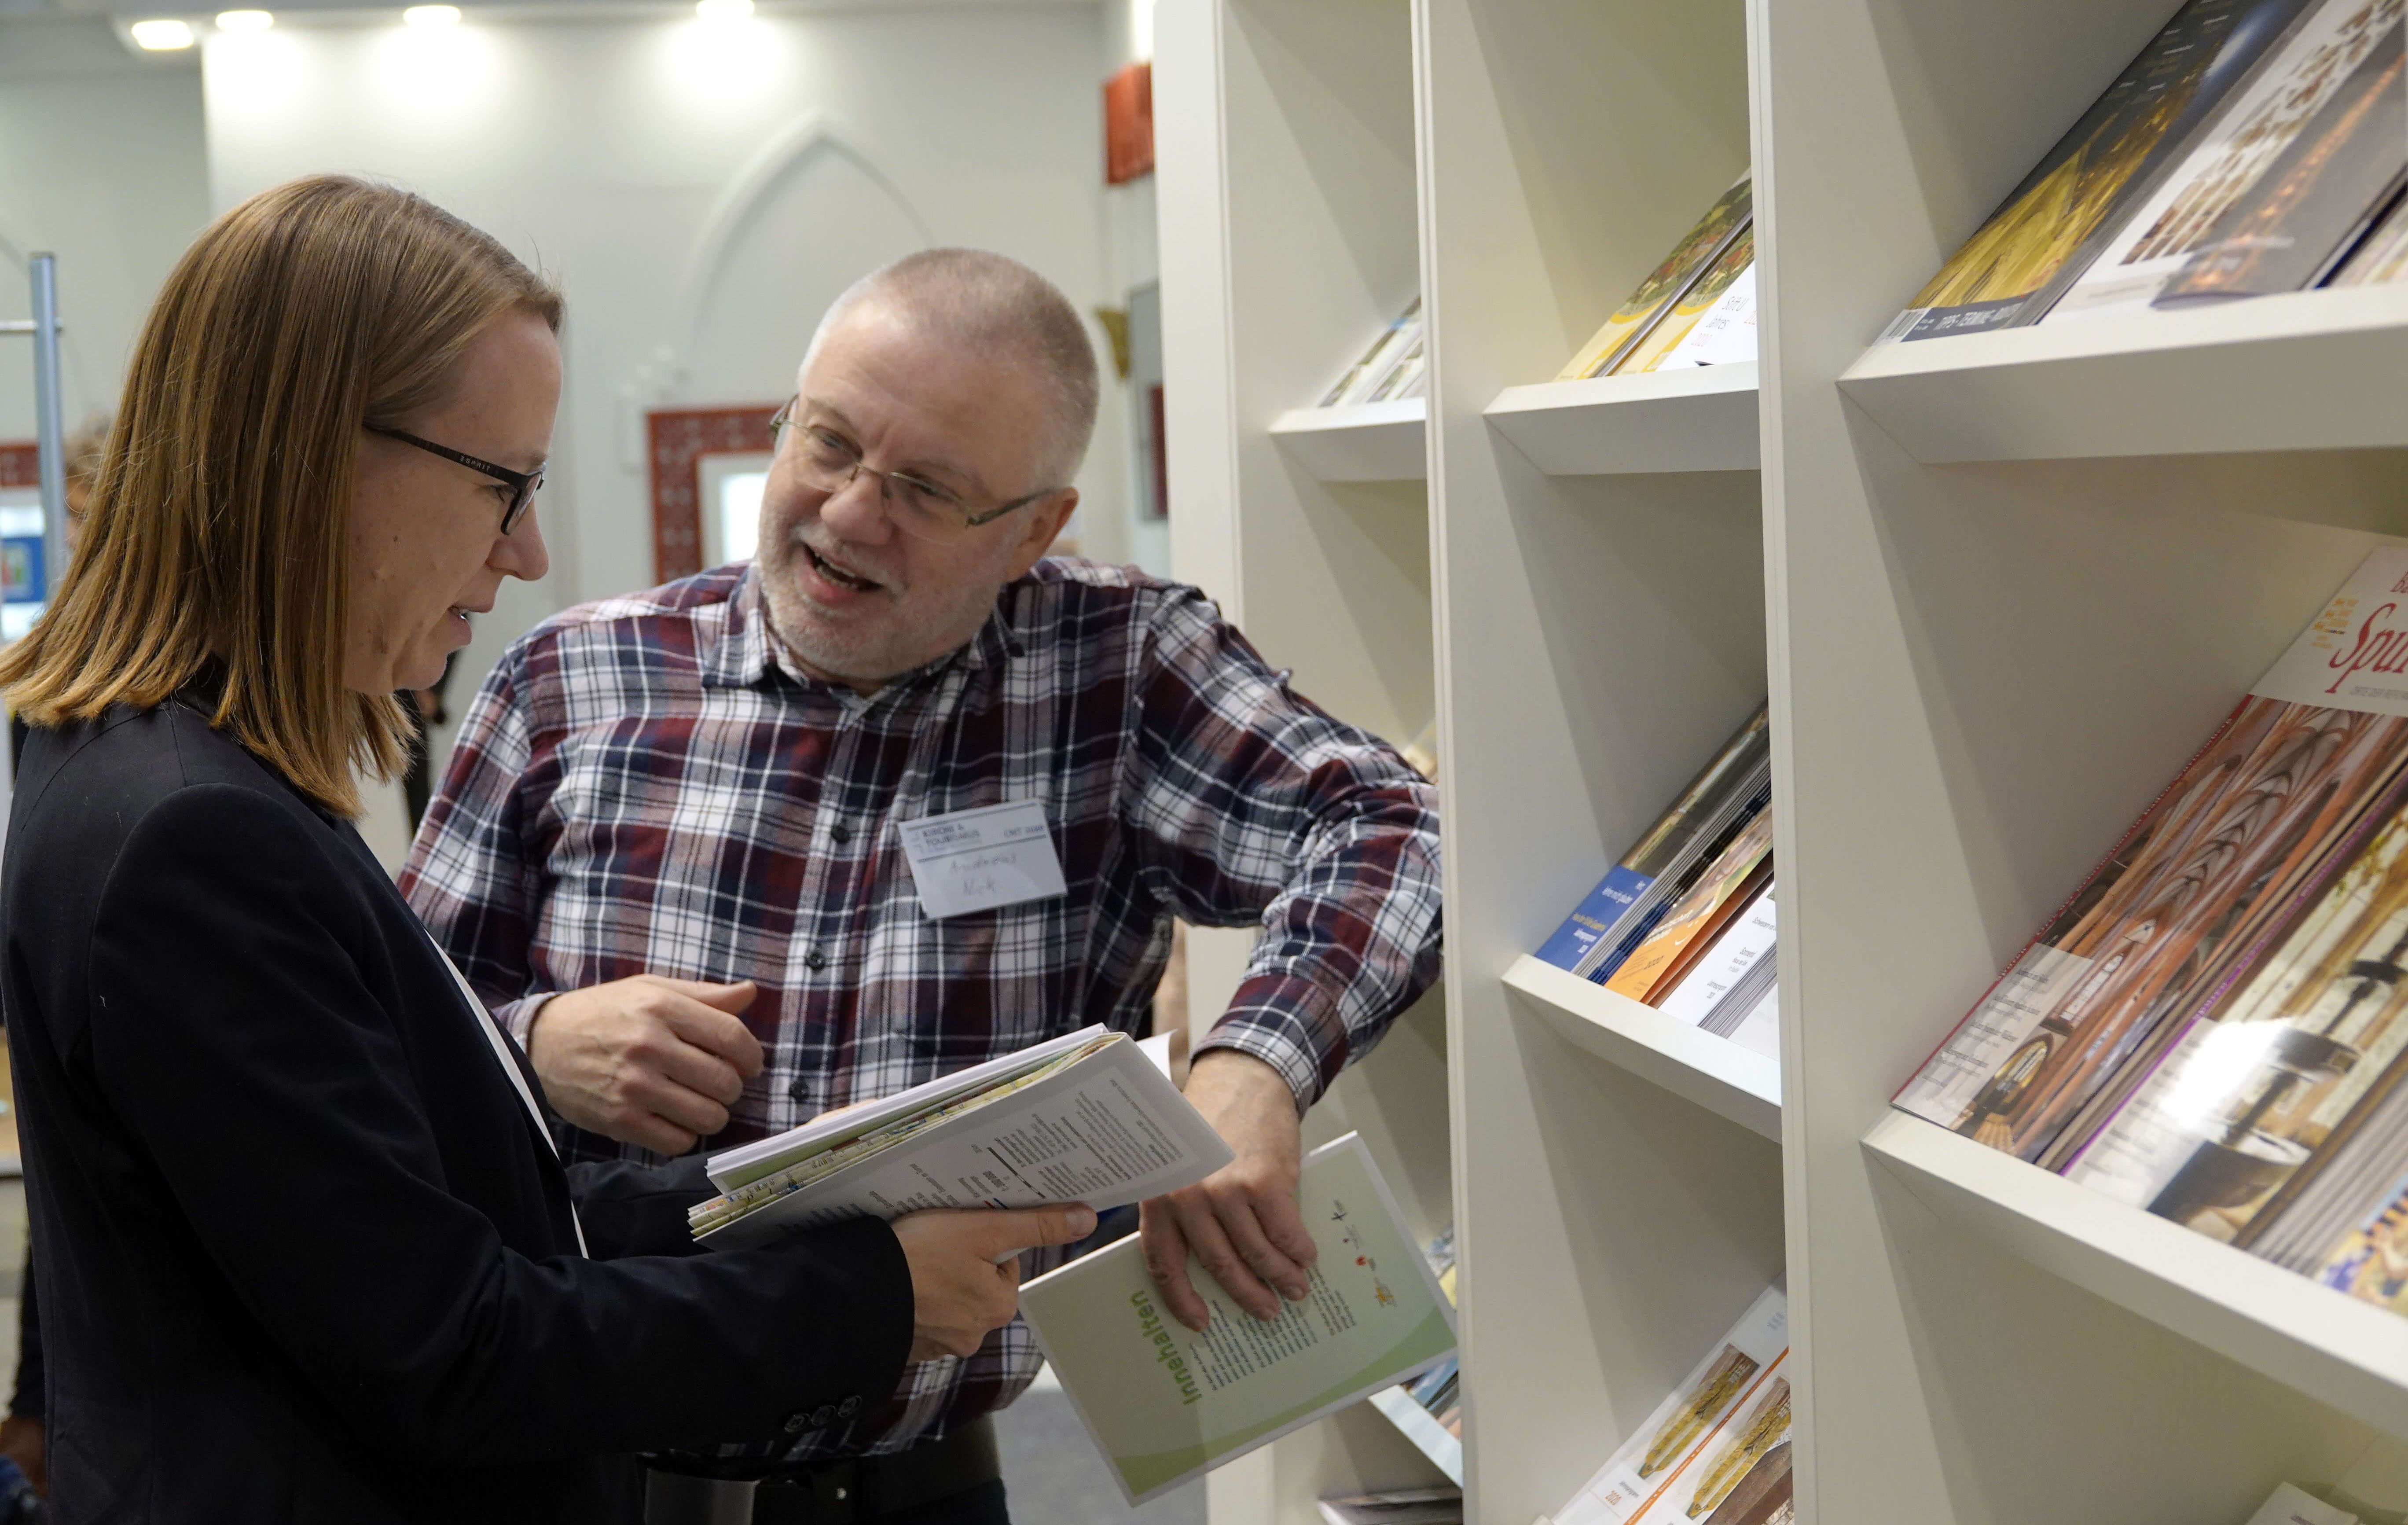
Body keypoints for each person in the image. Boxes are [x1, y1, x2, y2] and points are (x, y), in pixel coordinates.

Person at [0, 176, 1092, 1525]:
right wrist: (870, 1295)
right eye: (503, 484)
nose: (528, 550)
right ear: (316, 452)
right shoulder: (193, 832)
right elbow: (453, 1346)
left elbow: (450, 1206)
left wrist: (813, 1195)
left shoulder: (158, 772)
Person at [402, 248, 1444, 1521]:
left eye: (927, 489)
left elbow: (1394, 823)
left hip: (919, 1489)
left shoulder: (1116, 675)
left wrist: (1254, 1068)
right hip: (584, 1476)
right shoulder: (572, 681)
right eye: (829, 444)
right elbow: (390, 1049)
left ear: (1032, 531)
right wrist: (535, 1041)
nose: (850, 514)